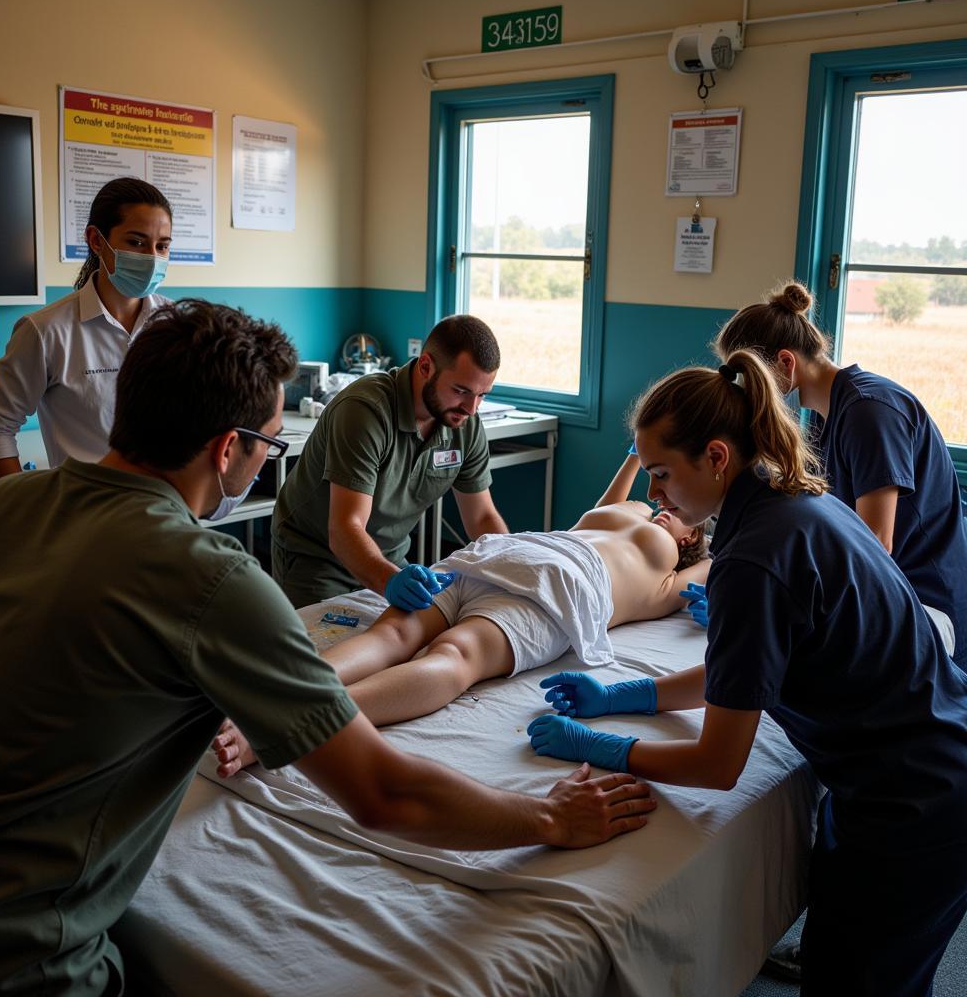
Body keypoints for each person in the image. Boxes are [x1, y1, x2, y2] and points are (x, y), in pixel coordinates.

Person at [0, 300, 656, 997]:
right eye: (270, 444)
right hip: (16, 953)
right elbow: (384, 794)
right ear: (229, 449)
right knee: (438, 659)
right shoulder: (211, 578)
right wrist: (549, 817)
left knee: (419, 651)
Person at [527, 349, 967, 997]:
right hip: (911, 770)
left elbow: (717, 764)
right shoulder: (795, 500)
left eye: (660, 474)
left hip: (915, 798)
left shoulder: (756, 555)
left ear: (715, 457)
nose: (653, 496)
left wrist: (605, 748)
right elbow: (740, 670)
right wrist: (627, 693)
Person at [212, 449, 710, 775]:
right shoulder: (633, 510)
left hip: (562, 590)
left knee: (455, 655)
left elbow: (721, 562)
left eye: (682, 514)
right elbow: (600, 509)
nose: (662, 500)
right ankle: (278, 690)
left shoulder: (676, 571)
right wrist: (634, 459)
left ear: (694, 537)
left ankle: (294, 722)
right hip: (505, 552)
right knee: (392, 634)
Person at [714, 280, 967, 670]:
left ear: (785, 364)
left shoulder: (869, 412)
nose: (748, 396)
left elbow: (874, 548)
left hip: (926, 605)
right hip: (886, 591)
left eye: (749, 380)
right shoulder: (826, 416)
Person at [271, 315, 510, 611]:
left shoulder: (464, 423)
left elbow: (482, 518)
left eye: (482, 395)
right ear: (425, 367)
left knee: (401, 643)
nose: (472, 408)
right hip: (319, 559)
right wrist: (390, 583)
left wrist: (512, 569)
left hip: (389, 557)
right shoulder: (365, 412)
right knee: (323, 649)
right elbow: (346, 528)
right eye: (461, 391)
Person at [0, 177, 174, 479]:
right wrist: (22, 511)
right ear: (96, 240)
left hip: (169, 508)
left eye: (162, 246)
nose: (151, 257)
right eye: (136, 242)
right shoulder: (45, 331)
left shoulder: (178, 325)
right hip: (86, 514)